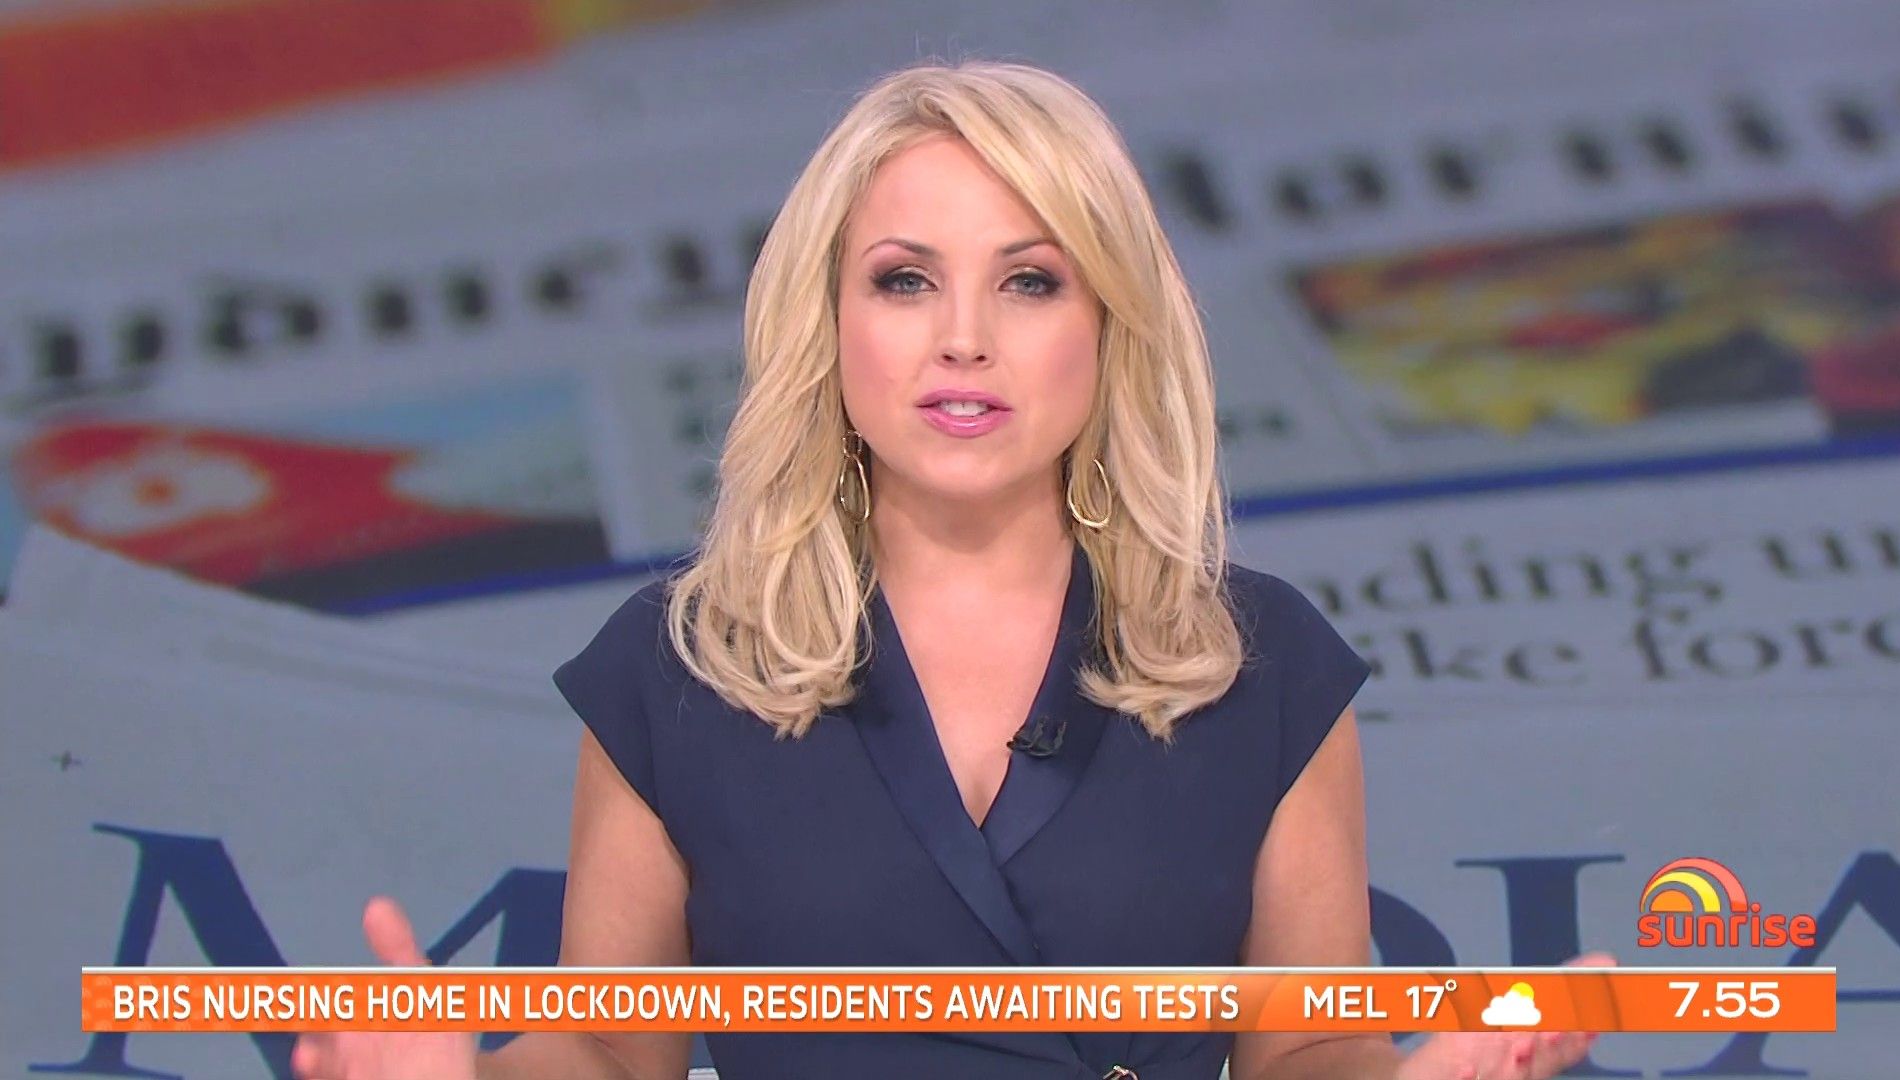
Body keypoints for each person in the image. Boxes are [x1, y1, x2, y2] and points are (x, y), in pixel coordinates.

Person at [292, 58, 1612, 1080]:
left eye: (1029, 282)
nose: (963, 338)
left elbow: (1307, 1048)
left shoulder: (1259, 668)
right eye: (906, 281)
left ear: (1109, 327)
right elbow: (607, 1047)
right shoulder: (680, 665)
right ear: (829, 325)